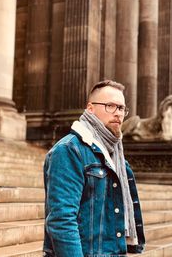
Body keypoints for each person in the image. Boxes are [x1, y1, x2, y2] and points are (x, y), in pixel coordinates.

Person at [43, 80, 145, 256]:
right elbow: (62, 221)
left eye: (121, 108)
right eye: (110, 106)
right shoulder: (69, 150)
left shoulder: (117, 156)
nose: (118, 114)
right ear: (90, 108)